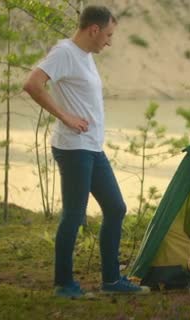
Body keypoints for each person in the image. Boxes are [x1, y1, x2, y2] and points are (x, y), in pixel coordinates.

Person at [23, 5, 149, 298]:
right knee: (74, 215)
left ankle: (111, 281)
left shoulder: (85, 56)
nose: (109, 41)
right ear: (94, 29)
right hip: (74, 148)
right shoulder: (64, 52)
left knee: (116, 208)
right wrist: (64, 116)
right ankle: (64, 284)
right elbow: (32, 84)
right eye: (108, 34)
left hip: (92, 147)